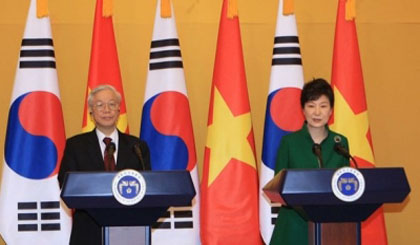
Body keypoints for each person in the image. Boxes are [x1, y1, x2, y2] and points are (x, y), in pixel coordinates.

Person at [58, 84, 151, 245]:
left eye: (112, 104)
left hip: (130, 229)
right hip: (89, 230)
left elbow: (148, 184)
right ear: (91, 112)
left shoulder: (137, 146)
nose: (106, 110)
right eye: (100, 105)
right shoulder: (76, 145)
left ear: (119, 110)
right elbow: (66, 184)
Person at [269, 78, 350, 245]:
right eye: (311, 106)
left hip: (332, 228)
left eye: (323, 106)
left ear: (331, 111)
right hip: (293, 227)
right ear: (303, 110)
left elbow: (346, 186)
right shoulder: (289, 143)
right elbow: (278, 186)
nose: (317, 112)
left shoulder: (340, 143)